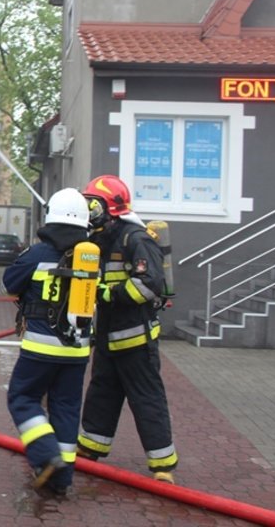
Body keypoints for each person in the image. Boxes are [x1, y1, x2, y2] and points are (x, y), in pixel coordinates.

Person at [76, 175, 178, 484]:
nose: (89, 210)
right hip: (108, 337)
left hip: (135, 339)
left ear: (109, 207)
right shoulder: (103, 238)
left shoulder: (136, 238)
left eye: (93, 204)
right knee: (101, 393)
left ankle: (162, 465)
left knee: (146, 399)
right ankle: (91, 447)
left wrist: (109, 293)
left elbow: (150, 285)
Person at [4, 188, 93, 496]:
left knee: (22, 398)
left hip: (41, 346)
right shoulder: (92, 255)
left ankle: (45, 455)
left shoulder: (38, 254)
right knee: (66, 407)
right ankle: (61, 478)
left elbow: (9, 284)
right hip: (79, 348)